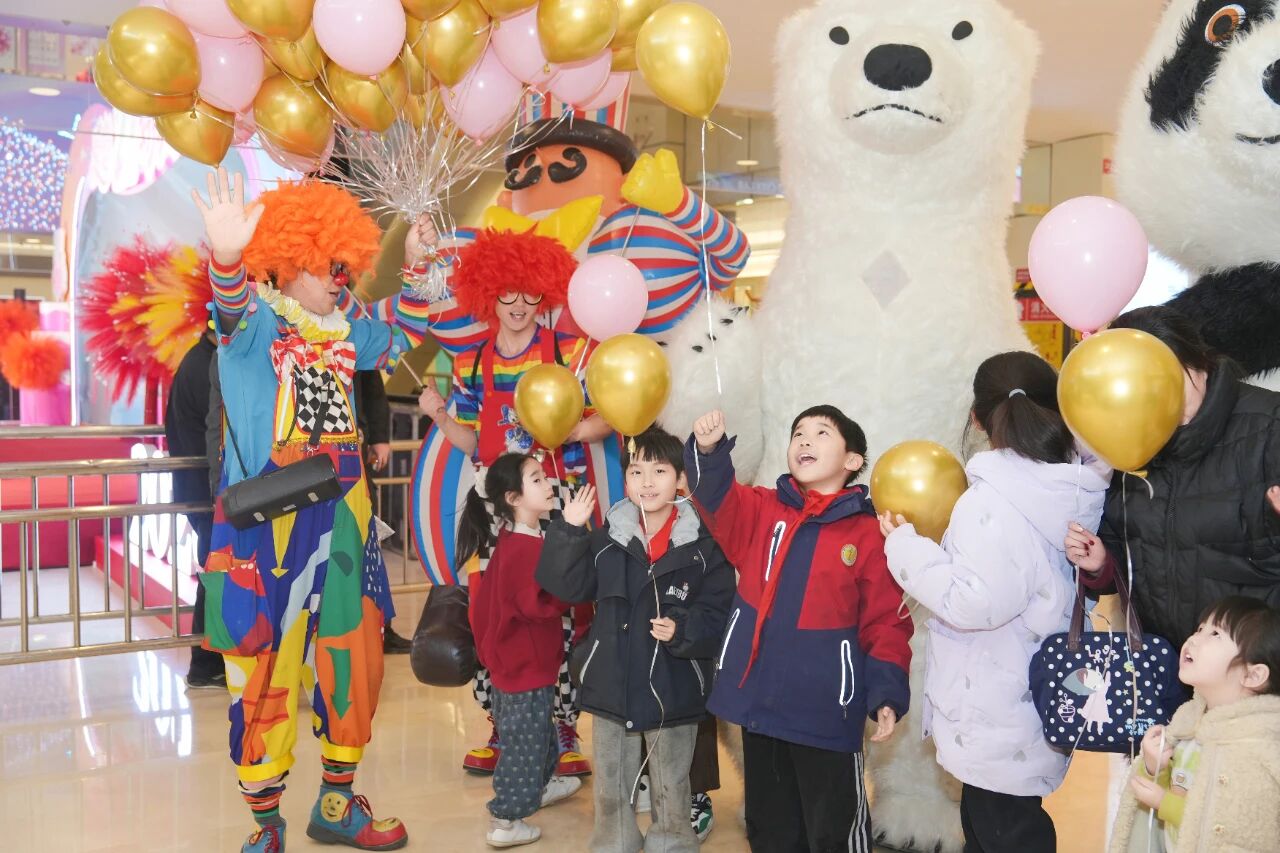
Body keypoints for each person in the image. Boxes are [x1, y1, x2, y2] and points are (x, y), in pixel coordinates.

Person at [194, 168, 435, 853]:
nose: (339, 276)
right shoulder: (256, 327)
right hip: (265, 533)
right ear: (290, 260)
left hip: (343, 527)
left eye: (344, 263)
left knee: (353, 658)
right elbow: (230, 305)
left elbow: (402, 334)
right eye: (327, 263)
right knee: (261, 671)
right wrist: (227, 256)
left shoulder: (347, 329)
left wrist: (418, 267)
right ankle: (265, 826)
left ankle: (336, 803)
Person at [880, 351, 1110, 853]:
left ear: (978, 419)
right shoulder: (1072, 486)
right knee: (1003, 823)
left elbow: (975, 602)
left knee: (1001, 830)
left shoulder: (991, 502)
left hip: (993, 701)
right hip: (1034, 693)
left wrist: (904, 548)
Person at [414, 224, 611, 779]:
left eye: (528, 293)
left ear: (542, 294)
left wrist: (572, 430)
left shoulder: (566, 353)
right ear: (489, 295)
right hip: (497, 507)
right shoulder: (473, 361)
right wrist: (439, 415)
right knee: (496, 613)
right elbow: (473, 440)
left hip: (557, 502)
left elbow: (607, 419)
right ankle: (504, 722)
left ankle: (564, 727)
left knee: (563, 614)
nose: (519, 305)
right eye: (507, 294)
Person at [687, 406, 913, 852]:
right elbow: (716, 499)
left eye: (822, 433)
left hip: (826, 712)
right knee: (771, 827)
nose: (805, 440)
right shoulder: (763, 508)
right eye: (798, 433)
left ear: (852, 460)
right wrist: (709, 453)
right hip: (760, 705)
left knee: (834, 829)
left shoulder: (869, 534)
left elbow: (886, 622)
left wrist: (887, 692)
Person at [536, 427, 735, 853]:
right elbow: (565, 587)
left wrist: (682, 628)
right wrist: (569, 531)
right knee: (611, 785)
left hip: (676, 686)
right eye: (636, 471)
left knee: (672, 784)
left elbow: (719, 612)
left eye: (659, 471)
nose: (647, 482)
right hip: (612, 685)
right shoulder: (607, 539)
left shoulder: (703, 547)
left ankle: (673, 842)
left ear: (680, 479)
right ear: (624, 479)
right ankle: (614, 842)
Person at [1064, 305, 1280, 650]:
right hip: (1166, 661)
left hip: (1253, 664)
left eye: (1166, 379)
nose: (1159, 397)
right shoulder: (1131, 437)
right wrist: (1102, 564)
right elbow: (1130, 550)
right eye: (1143, 386)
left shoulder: (1269, 425)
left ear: (1197, 359)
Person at [457, 454, 583, 847]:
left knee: (538, 733)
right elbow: (542, 602)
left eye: (544, 476)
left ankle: (542, 785)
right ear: (513, 498)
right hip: (522, 668)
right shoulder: (524, 549)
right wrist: (569, 571)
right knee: (523, 748)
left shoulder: (516, 539)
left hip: (520, 666)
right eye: (537, 479)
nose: (548, 485)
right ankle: (506, 819)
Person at [1109, 596, 1280, 852]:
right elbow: (1176, 795)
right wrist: (1156, 767)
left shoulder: (1260, 748)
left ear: (1252, 675)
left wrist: (1164, 803)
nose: (1193, 639)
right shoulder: (1188, 723)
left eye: (1215, 634)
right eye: (1200, 629)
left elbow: (1236, 829)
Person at [164, 329, 226, 690]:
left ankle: (210, 661)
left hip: (204, 488)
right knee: (215, 574)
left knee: (215, 571)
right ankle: (205, 663)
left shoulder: (199, 359)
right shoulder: (205, 365)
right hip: (207, 490)